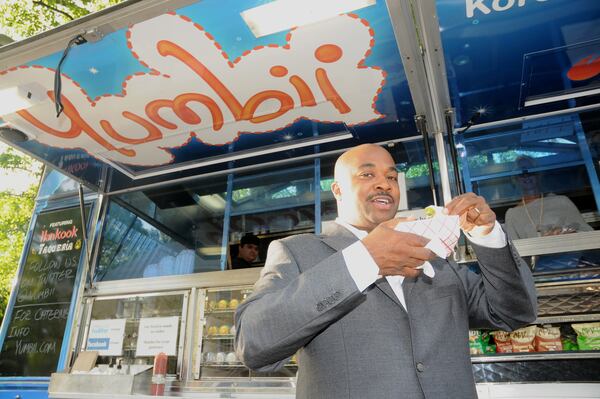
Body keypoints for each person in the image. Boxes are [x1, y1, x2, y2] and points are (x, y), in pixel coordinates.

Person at [234, 144, 537, 399]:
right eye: (368, 174)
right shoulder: (298, 251)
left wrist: (489, 236)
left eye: (392, 176)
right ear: (338, 190)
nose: (385, 183)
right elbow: (254, 345)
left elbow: (514, 313)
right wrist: (364, 260)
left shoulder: (435, 256)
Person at [505, 155, 593, 239]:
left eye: (531, 171)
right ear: (515, 178)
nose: (526, 176)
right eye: (521, 173)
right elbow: (512, 249)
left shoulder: (561, 201)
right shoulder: (512, 214)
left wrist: (569, 234)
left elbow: (588, 233)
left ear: (538, 174)